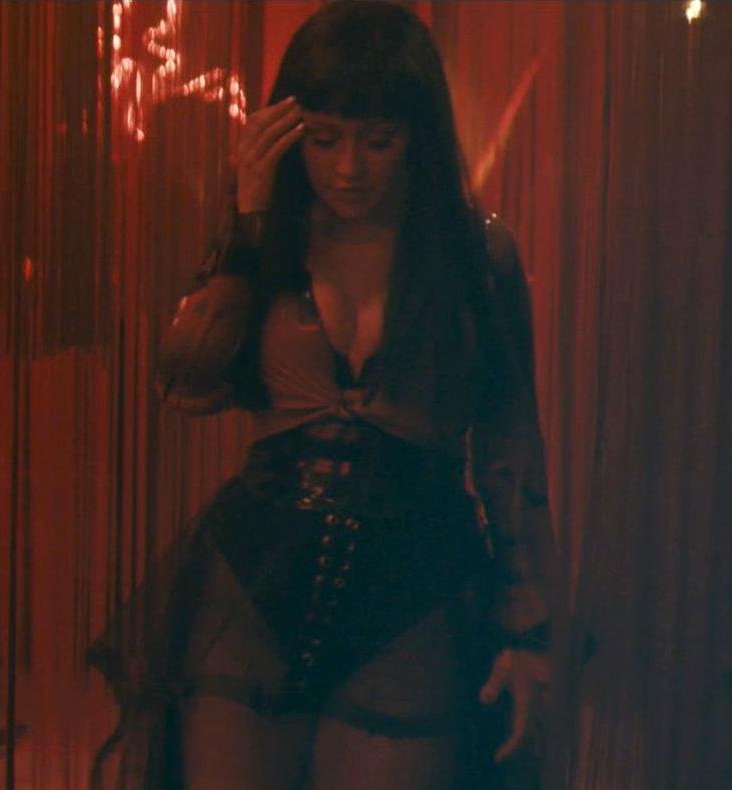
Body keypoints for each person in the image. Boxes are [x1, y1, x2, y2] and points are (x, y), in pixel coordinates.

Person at [87, 3, 554, 788]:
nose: (348, 170)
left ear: (418, 136)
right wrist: (246, 225)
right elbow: (186, 384)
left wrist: (528, 628)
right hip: (254, 576)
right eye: (324, 139)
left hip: (412, 589)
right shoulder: (268, 239)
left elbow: (510, 446)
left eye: (379, 140)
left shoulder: (476, 256)